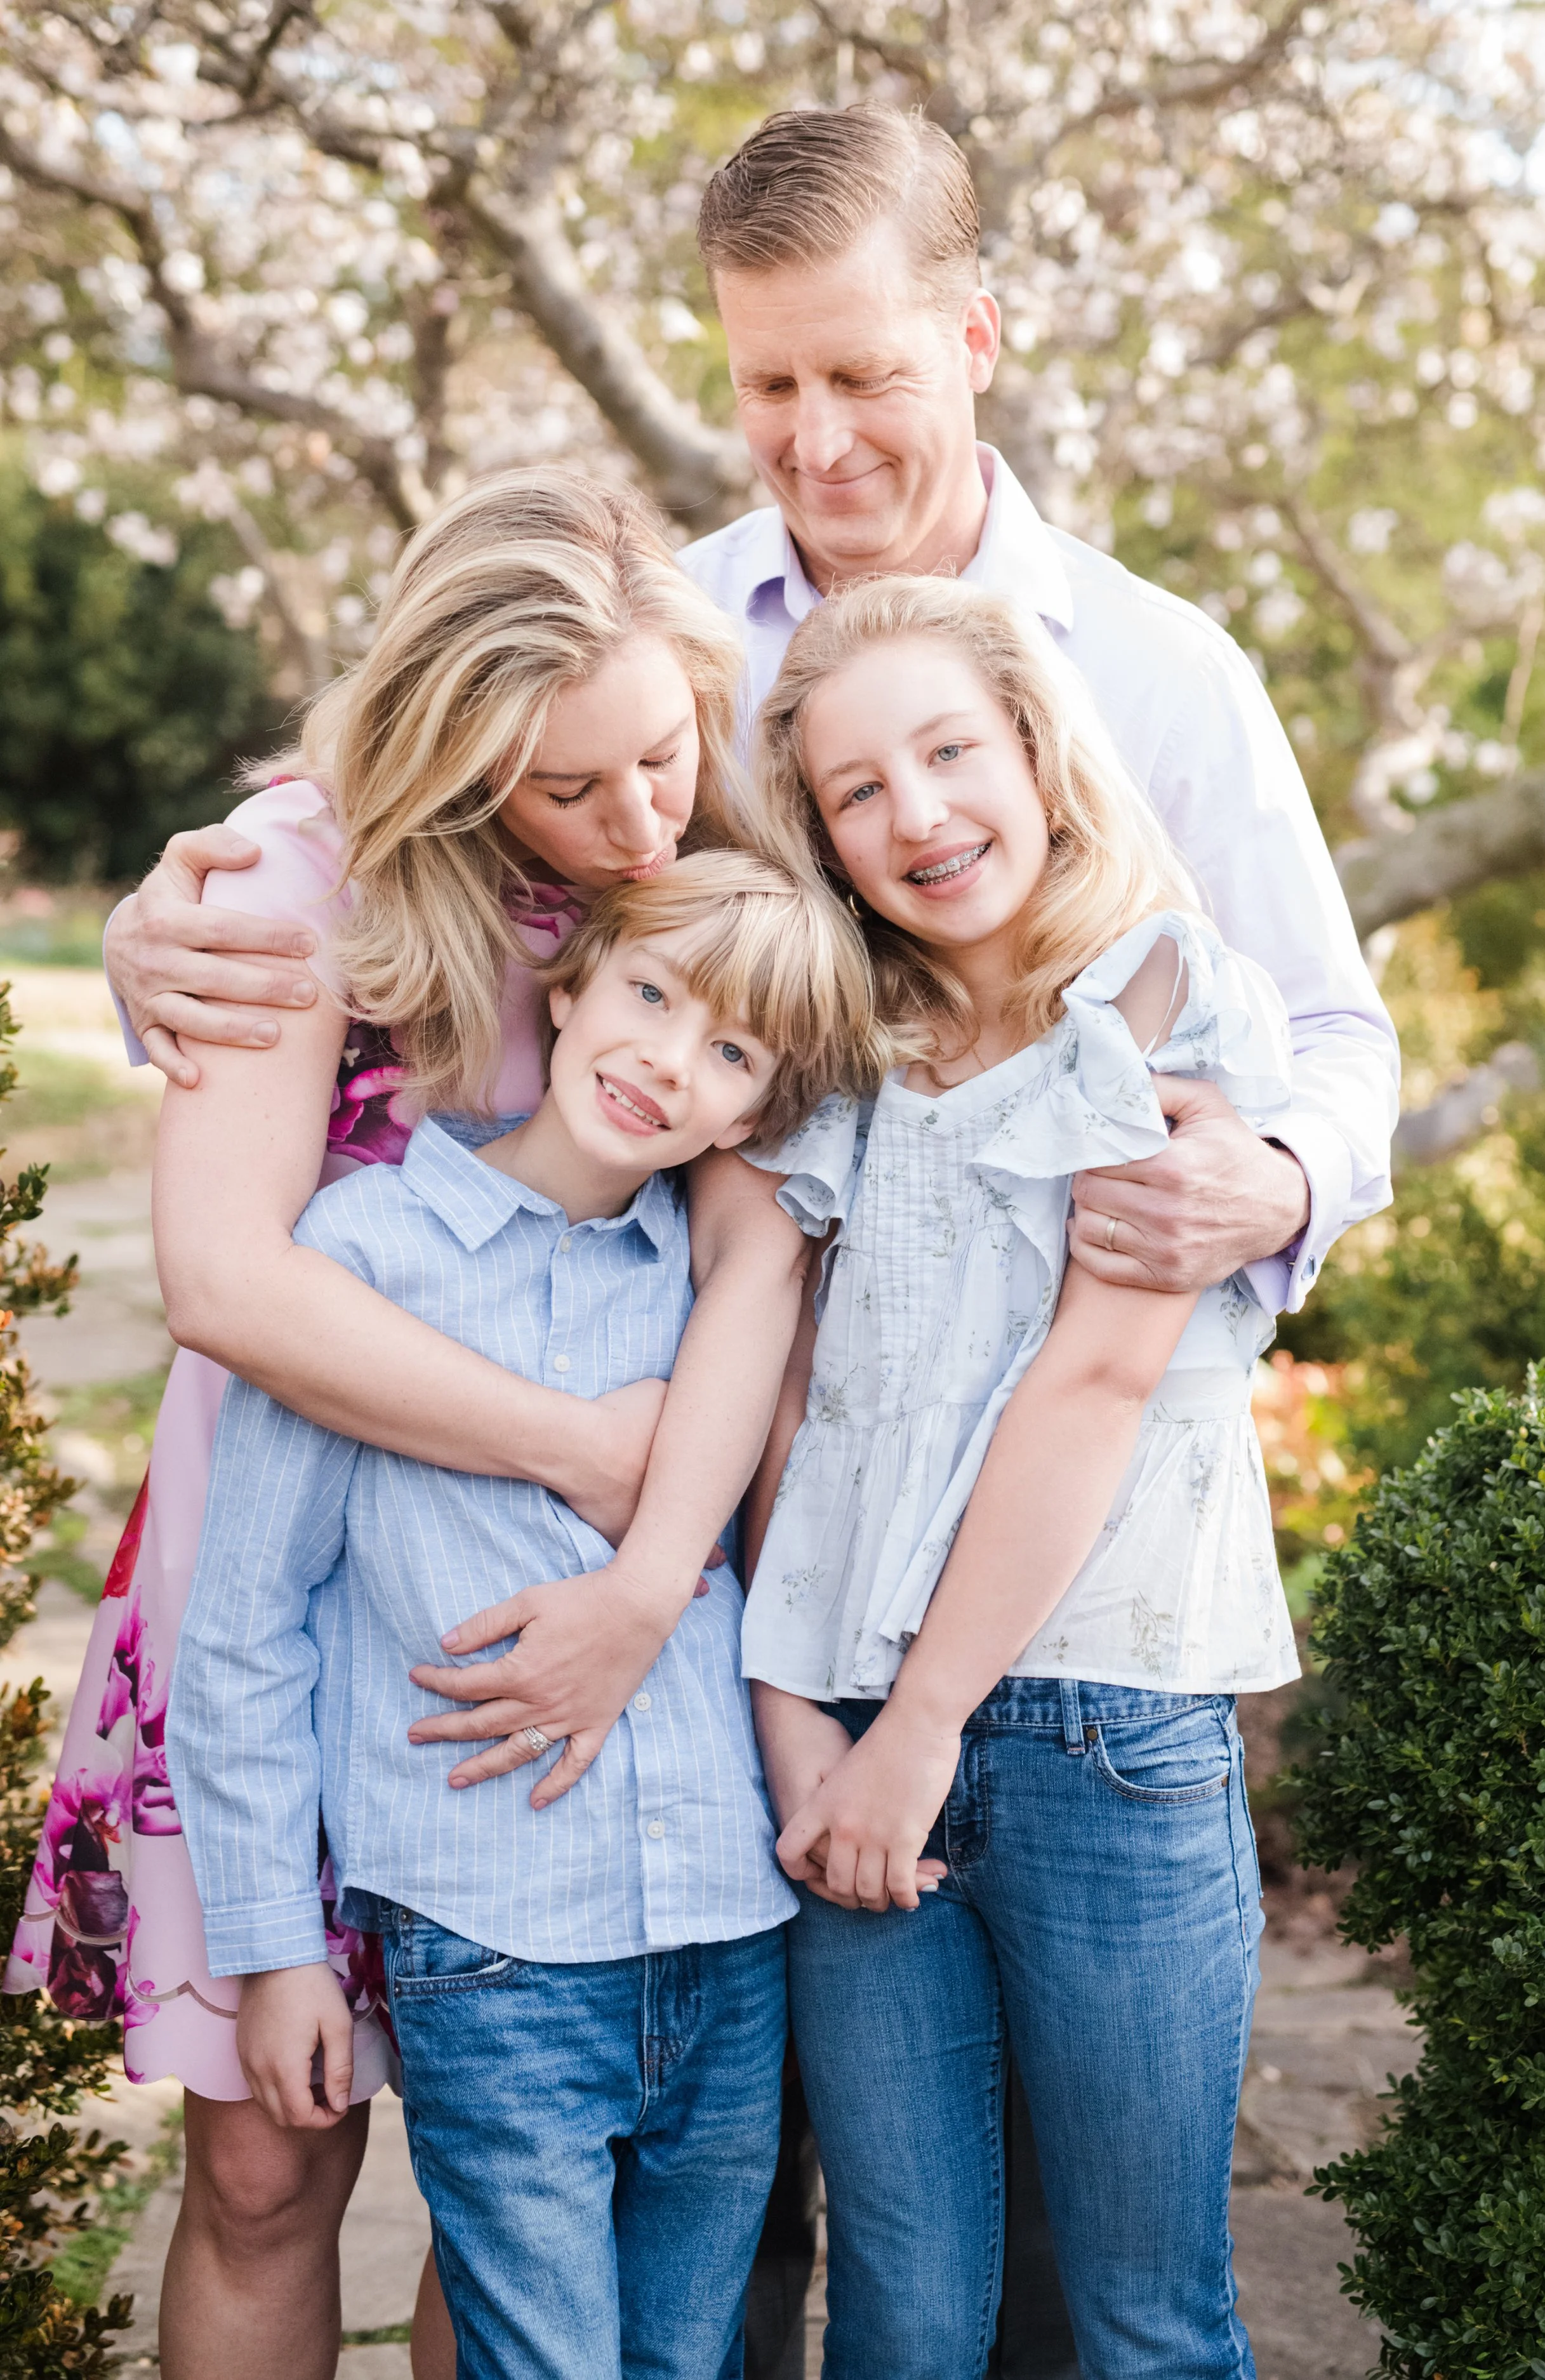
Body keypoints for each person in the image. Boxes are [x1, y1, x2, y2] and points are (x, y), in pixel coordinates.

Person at [81, 100, 1398, 2374]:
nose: (816, 435)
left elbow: (1321, 1041)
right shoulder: (672, 645)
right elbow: (390, 830)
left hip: (967, 1594)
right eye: (768, 383)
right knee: (592, 2190)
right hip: (640, 1557)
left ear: (975, 341)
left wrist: (1272, 1184)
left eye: (866, 374)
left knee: (1017, 2264)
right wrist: (168, 915)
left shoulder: (1154, 674)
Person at [6, 469, 823, 2380]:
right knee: (273, 2164)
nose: (635, 816)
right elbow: (227, 1280)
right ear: (449, 759)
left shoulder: (699, 862)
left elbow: (763, 1233)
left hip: (538, 1653)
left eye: (660, 749)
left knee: (520, 2179)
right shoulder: (301, 882)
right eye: (567, 786)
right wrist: (578, 1444)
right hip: (286, 1589)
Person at [167, 852, 877, 2380]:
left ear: (752, 1117)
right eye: (647, 995)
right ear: (563, 991)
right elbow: (243, 1631)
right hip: (492, 1945)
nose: (667, 1060)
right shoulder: (356, 1265)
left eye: (731, 1052)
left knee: (684, 2360)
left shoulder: (712, 1303)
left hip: (723, 1937)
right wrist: (278, 1949)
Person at [741, 574, 1322, 2378]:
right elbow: (791, 1412)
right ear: (823, 841)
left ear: (1034, 751)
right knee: (905, 2313)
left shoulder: (1154, 1000)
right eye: (856, 790)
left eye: (945, 749)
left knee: (1144, 2317)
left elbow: (1089, 1380)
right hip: (849, 1729)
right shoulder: (842, 1050)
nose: (914, 811)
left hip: (1099, 1730)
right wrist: (802, 1734)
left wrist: (914, 1733)